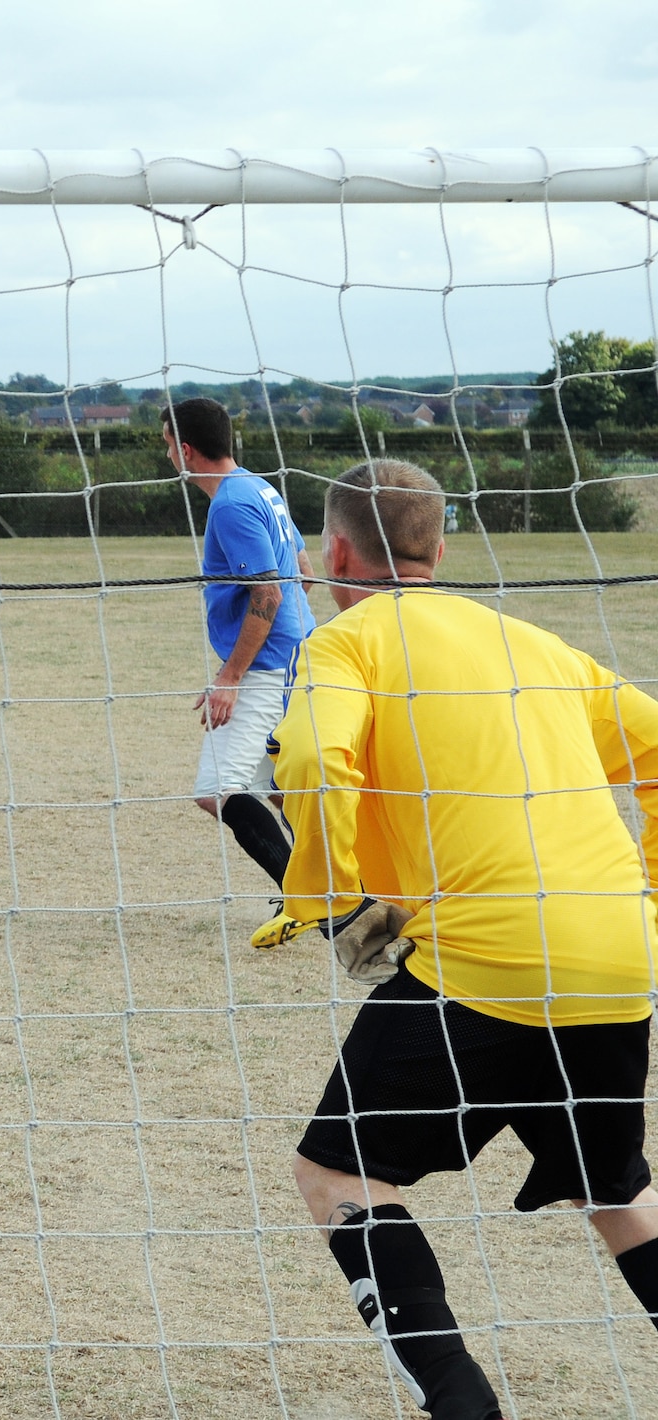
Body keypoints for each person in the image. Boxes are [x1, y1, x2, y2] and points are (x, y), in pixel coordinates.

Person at [276, 459, 658, 1419]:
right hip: (618, 954)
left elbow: (319, 757)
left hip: (485, 963)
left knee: (337, 1174)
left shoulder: (346, 641)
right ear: (439, 553)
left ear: (333, 554)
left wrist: (333, 898)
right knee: (618, 1197)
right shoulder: (533, 641)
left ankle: (462, 1407)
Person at [160, 396, 316, 939]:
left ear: (184, 448)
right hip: (296, 656)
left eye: (166, 445)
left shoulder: (229, 504)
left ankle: (308, 898)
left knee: (217, 789)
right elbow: (303, 568)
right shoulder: (260, 486)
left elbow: (267, 595)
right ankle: (339, 882)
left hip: (268, 664)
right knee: (275, 784)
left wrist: (230, 677)